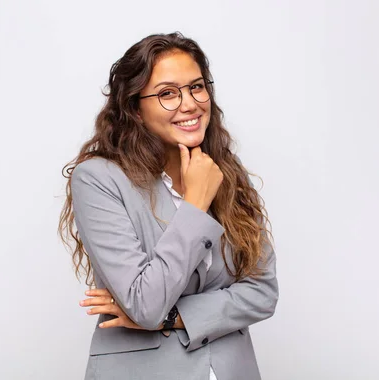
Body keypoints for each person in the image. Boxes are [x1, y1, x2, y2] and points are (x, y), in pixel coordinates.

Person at [59, 32, 279, 380]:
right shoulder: (98, 179)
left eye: (196, 87)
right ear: (135, 108)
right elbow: (145, 304)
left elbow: (262, 293)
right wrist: (195, 204)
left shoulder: (226, 173)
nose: (190, 104)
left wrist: (172, 319)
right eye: (167, 94)